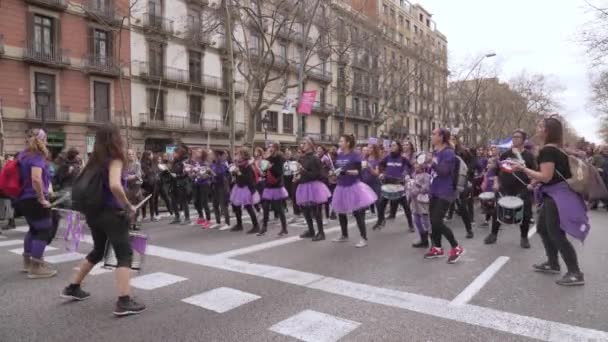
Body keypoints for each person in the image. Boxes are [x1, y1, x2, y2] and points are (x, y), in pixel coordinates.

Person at [61, 124, 146, 315]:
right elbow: (115, 185)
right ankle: (124, 301)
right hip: (112, 214)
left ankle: (73, 287)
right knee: (124, 254)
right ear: (115, 139)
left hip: (94, 213)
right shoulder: (114, 159)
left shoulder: (93, 161)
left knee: (98, 250)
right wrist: (128, 205)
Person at [510, 117, 587, 286]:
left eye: (540, 126)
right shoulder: (556, 150)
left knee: (556, 233)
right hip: (553, 194)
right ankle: (553, 263)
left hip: (557, 196)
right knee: (543, 229)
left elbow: (546, 176)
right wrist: (534, 182)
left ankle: (575, 272)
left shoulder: (548, 151)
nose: (537, 128)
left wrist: (523, 169)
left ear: (547, 130)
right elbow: (550, 175)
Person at [484, 129, 536, 248]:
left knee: (525, 214)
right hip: (505, 188)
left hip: (522, 189)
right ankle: (493, 234)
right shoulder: (505, 154)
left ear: (523, 140)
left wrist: (532, 185)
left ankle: (524, 238)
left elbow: (535, 172)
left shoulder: (529, 156)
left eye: (517, 137)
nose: (514, 139)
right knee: (497, 211)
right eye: (513, 137)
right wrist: (496, 183)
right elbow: (497, 170)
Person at [16, 128, 56, 278]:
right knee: (44, 230)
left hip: (23, 198)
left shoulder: (23, 154)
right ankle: (36, 267)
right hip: (34, 198)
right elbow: (36, 179)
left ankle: (27, 263)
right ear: (42, 139)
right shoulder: (37, 155)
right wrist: (41, 198)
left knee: (33, 229)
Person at [425, 128, 465, 263]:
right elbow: (432, 171)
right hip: (434, 190)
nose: (431, 136)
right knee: (432, 221)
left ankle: (456, 247)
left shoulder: (449, 153)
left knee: (437, 221)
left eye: (433, 134)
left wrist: (432, 162)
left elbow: (444, 171)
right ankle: (437, 248)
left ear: (441, 137)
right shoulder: (436, 152)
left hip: (445, 191)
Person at [331, 135, 378, 248]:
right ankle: (344, 235)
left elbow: (358, 172)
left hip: (353, 187)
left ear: (348, 143)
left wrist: (345, 172)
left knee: (358, 214)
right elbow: (338, 169)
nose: (339, 142)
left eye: (341, 141)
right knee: (341, 212)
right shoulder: (340, 155)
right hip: (341, 187)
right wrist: (333, 174)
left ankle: (363, 238)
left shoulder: (355, 155)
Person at [295, 137, 331, 241]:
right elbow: (303, 172)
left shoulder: (315, 158)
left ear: (310, 145)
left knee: (316, 211)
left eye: (304, 143)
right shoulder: (302, 157)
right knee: (305, 210)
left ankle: (321, 232)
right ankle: (311, 230)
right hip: (304, 185)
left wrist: (303, 170)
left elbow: (317, 175)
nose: (302, 145)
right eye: (302, 143)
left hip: (314, 186)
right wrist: (298, 176)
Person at [374, 140, 414, 231]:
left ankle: (411, 225)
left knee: (406, 207)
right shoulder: (387, 157)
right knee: (381, 205)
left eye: (394, 145)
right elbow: (380, 165)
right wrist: (382, 173)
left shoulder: (403, 158)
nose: (392, 147)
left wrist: (407, 174)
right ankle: (380, 221)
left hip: (398, 185)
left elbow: (411, 167)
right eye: (391, 145)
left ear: (398, 147)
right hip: (388, 185)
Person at [260, 142, 289, 236]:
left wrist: (270, 167)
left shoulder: (280, 158)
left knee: (279, 208)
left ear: (276, 148)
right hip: (268, 185)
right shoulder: (269, 158)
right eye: (269, 147)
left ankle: (284, 228)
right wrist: (264, 171)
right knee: (265, 206)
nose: (269, 148)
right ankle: (264, 227)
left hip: (276, 185)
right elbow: (264, 169)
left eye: (271, 147)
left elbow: (279, 172)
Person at [229, 148, 261, 232]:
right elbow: (237, 176)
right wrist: (234, 172)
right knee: (236, 206)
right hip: (239, 187)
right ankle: (239, 225)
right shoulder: (240, 164)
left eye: (239, 154)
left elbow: (248, 179)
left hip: (246, 189)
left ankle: (256, 226)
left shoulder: (248, 165)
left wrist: (238, 172)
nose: (237, 156)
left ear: (244, 156)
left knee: (248, 207)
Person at [408, 160, 431, 248]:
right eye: (415, 166)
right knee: (417, 220)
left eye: (418, 166)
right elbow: (410, 186)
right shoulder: (413, 175)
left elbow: (426, 188)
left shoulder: (426, 176)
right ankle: (423, 239)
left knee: (425, 220)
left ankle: (431, 239)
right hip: (414, 201)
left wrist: (416, 190)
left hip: (422, 201)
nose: (416, 168)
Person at [190, 148, 212, 228]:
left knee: (204, 202)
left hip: (204, 184)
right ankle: (201, 217)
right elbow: (192, 173)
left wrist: (201, 175)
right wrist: (192, 173)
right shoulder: (195, 163)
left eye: (199, 151)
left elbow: (207, 175)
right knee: (196, 201)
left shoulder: (205, 163)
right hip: (196, 184)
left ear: (203, 154)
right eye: (196, 151)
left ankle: (208, 220)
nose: (196, 152)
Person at [169, 145, 191, 225]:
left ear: (179, 153)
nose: (173, 154)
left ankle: (187, 218)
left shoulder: (185, 161)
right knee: (173, 200)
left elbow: (186, 173)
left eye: (175, 153)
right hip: (174, 183)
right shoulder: (175, 161)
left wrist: (177, 176)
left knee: (183, 201)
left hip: (182, 183)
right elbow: (173, 170)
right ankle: (177, 217)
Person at [210, 150, 230, 229]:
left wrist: (211, 172)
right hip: (214, 186)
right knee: (215, 204)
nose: (211, 156)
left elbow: (220, 175)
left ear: (218, 156)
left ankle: (227, 223)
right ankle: (218, 221)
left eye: (213, 155)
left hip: (222, 186)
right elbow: (211, 175)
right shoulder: (212, 164)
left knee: (223, 205)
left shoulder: (222, 164)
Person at [125, 149, 143, 229]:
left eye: (132, 154)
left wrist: (131, 177)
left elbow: (138, 174)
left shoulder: (137, 164)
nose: (130, 155)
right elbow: (123, 175)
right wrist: (129, 177)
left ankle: (136, 223)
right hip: (128, 187)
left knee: (137, 205)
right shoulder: (124, 164)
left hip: (136, 187)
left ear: (134, 155)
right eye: (129, 154)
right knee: (129, 205)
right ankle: (130, 222)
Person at [140, 151, 159, 222]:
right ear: (147, 156)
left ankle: (149, 216)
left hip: (150, 183)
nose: (152, 156)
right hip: (148, 184)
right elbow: (148, 173)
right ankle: (147, 216)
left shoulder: (150, 163)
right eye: (151, 155)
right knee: (147, 200)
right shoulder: (144, 164)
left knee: (150, 200)